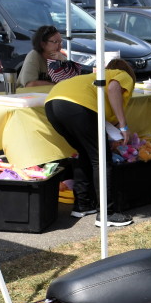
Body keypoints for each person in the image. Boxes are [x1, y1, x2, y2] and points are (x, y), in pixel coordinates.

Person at [45, 59, 136, 227]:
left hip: (52, 104)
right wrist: (124, 125)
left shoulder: (94, 77)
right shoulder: (121, 74)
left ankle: (83, 204)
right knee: (101, 158)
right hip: (76, 106)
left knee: (84, 153)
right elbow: (114, 88)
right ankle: (107, 213)